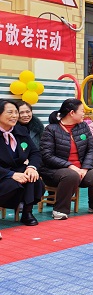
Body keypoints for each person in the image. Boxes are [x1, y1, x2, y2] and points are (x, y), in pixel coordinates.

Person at [40, 98, 93, 219]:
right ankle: (59, 210)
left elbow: (91, 149)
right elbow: (47, 156)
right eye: (82, 111)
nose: (84, 114)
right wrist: (71, 166)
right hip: (54, 171)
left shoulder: (83, 126)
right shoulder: (51, 129)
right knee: (71, 175)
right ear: (72, 113)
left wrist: (85, 168)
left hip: (81, 169)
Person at [0, 99, 44, 233]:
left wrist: (32, 167)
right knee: (14, 185)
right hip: (2, 175)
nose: (15, 116)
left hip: (18, 171)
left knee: (33, 179)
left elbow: (35, 152)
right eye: (10, 112)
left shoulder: (20, 131)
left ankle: (27, 212)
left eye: (16, 112)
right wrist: (11, 175)